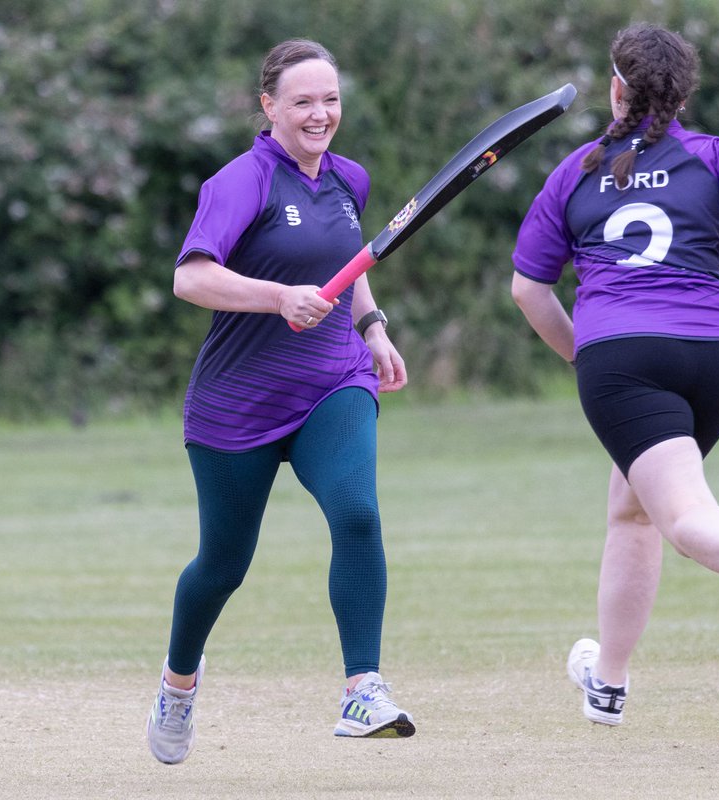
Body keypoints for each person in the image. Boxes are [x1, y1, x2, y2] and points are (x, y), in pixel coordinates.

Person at [510, 23, 719, 727]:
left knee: (680, 516)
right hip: (717, 354)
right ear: (683, 92)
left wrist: (582, 354)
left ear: (617, 88)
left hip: (625, 356)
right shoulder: (715, 154)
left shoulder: (577, 171)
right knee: (632, 506)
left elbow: (529, 291)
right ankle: (608, 683)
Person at [146, 38, 415, 764]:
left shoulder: (348, 179)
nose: (320, 113)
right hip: (237, 404)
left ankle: (363, 688)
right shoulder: (240, 182)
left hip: (335, 379)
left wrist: (373, 327)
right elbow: (191, 279)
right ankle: (178, 685)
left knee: (357, 512)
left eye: (330, 99)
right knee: (223, 565)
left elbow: (352, 264)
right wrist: (277, 299)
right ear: (268, 106)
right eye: (302, 101)